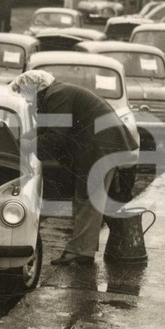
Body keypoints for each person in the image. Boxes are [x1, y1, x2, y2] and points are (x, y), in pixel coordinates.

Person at [12, 70, 137, 266]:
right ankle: (90, 249)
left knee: (87, 199)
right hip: (102, 146)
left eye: (24, 93)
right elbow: (44, 128)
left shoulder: (57, 95)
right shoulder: (56, 93)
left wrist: (24, 147)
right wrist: (20, 140)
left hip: (99, 148)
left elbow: (55, 135)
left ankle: (80, 253)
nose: (25, 100)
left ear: (33, 89)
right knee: (91, 199)